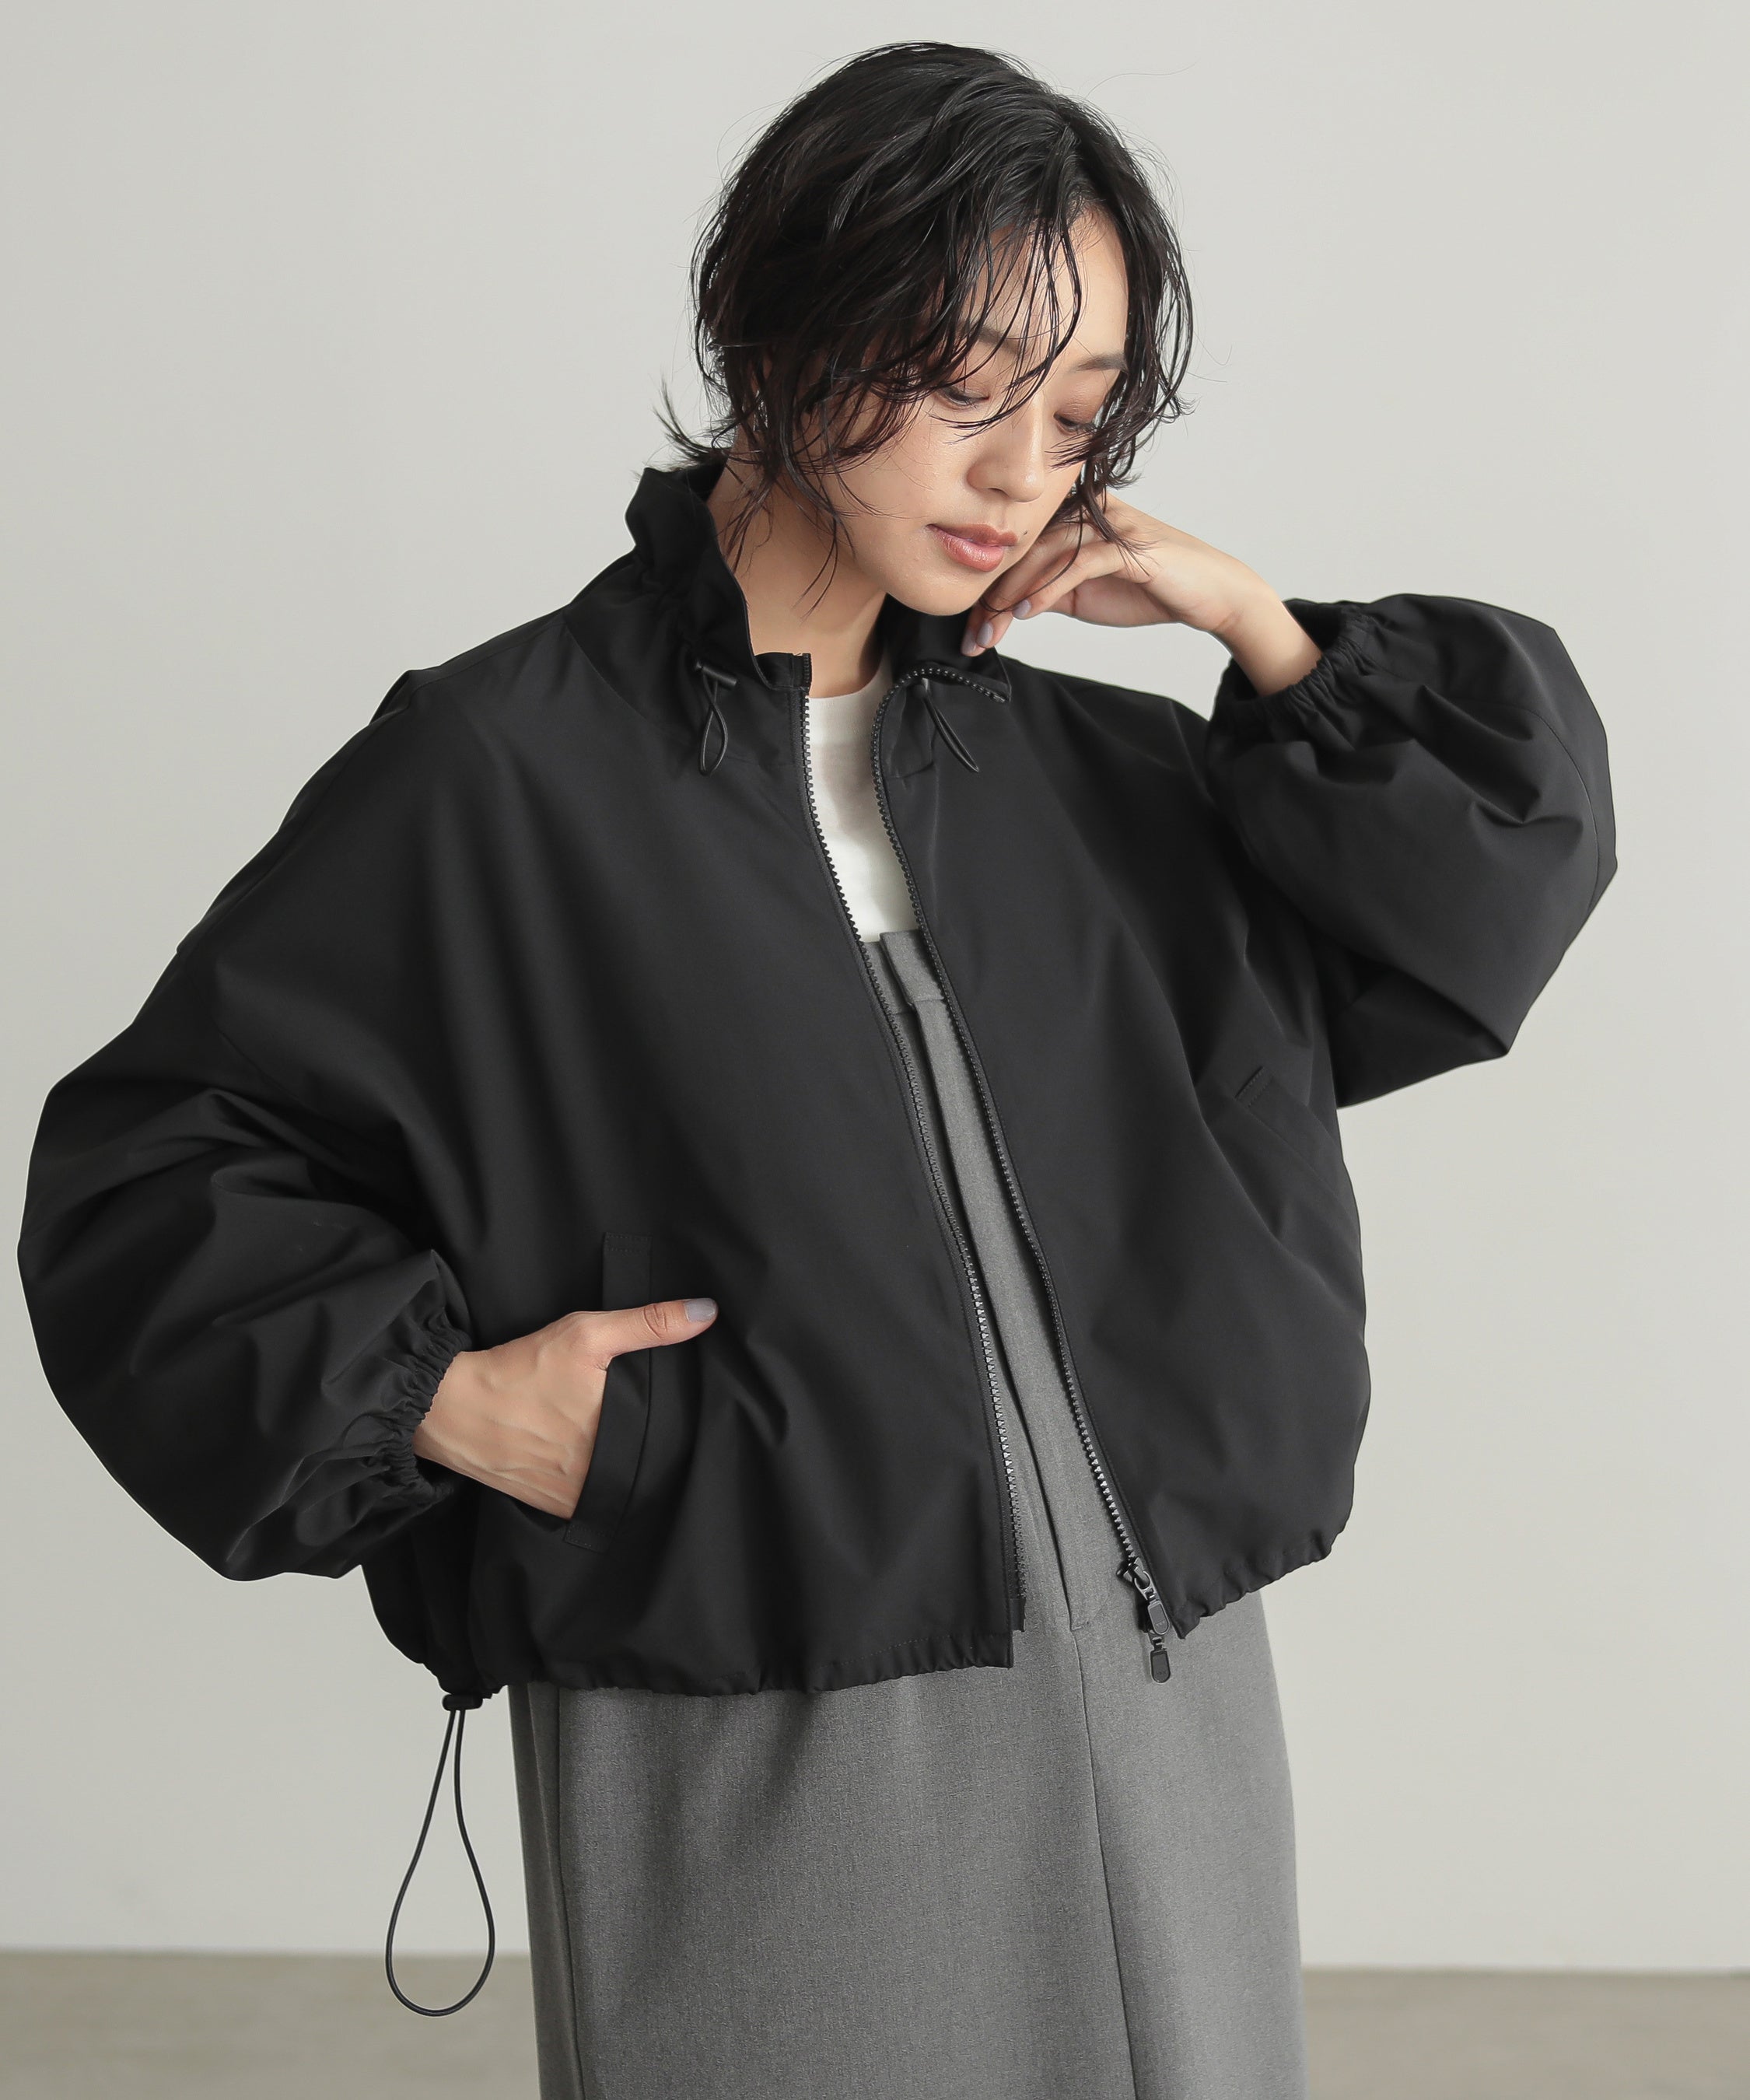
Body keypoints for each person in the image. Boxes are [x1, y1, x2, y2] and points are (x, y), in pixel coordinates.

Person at [17, 40, 1615, 2100]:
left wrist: (1261, 630)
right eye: (963, 382)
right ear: (779, 335)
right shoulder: (503, 778)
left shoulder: (1108, 779)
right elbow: (152, 1168)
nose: (1018, 471)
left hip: (1165, 1685)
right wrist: (446, 1403)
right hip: (756, 1684)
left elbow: (1475, 897)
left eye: (1074, 411)